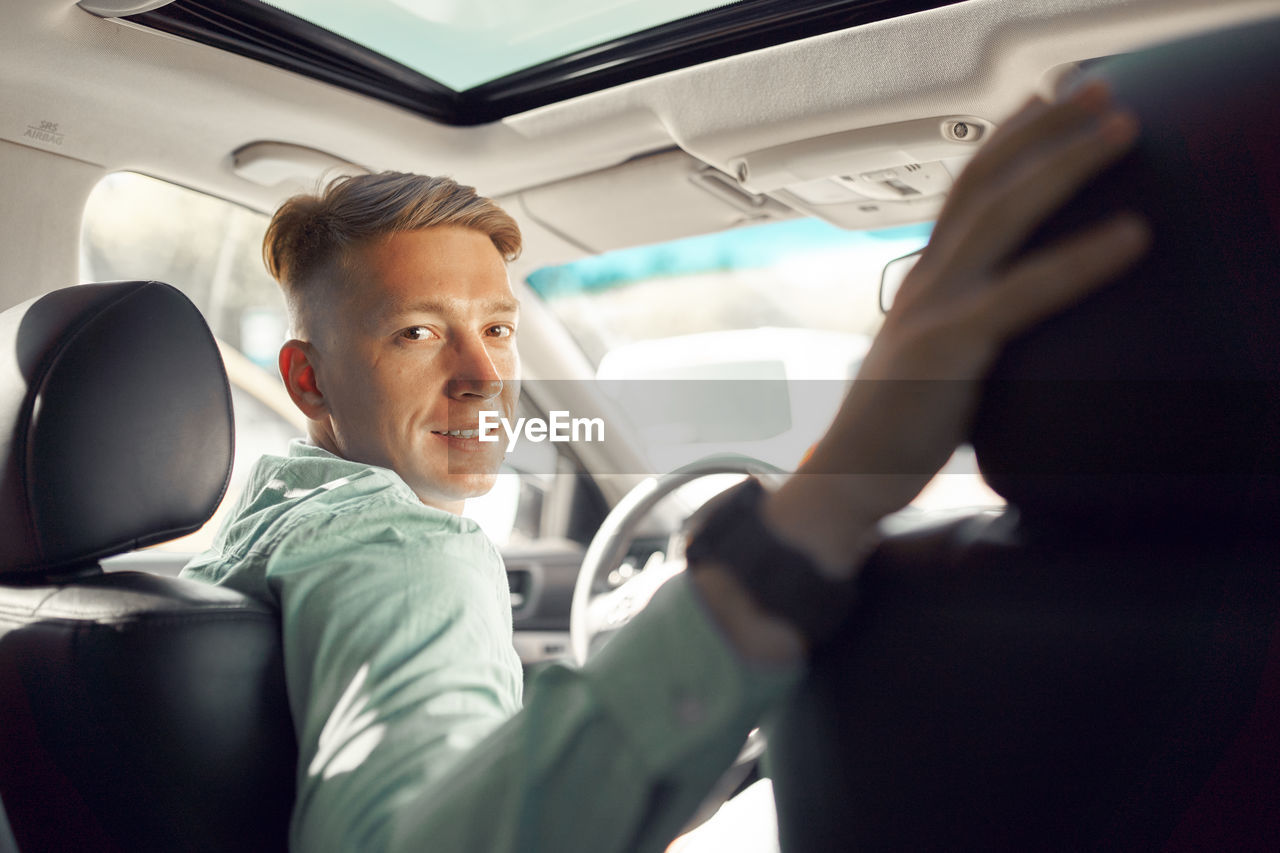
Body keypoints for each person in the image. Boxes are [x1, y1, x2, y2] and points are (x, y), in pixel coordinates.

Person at [182, 78, 1149, 851]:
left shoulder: (266, 529)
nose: (484, 377)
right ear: (308, 382)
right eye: (420, 332)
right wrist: (809, 516)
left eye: (499, 328)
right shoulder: (400, 547)